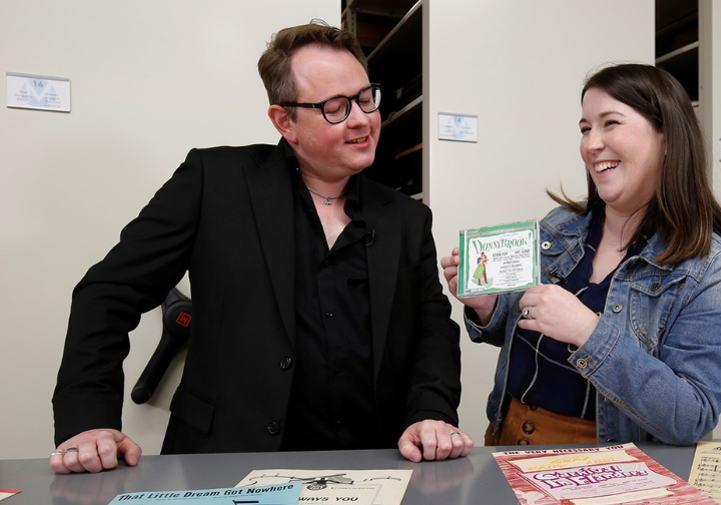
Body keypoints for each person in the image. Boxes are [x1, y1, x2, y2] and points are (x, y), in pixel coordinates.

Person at [50, 21, 472, 474]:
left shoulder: (405, 218)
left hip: (370, 467)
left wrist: (432, 412)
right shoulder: (214, 180)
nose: (361, 120)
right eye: (335, 106)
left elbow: (432, 329)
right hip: (224, 463)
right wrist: (87, 421)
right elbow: (107, 293)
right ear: (284, 120)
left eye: (365, 98)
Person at [441, 63, 721, 446]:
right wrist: (489, 307)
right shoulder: (559, 227)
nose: (590, 144)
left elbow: (692, 417)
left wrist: (589, 333)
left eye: (610, 124)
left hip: (609, 467)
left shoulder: (710, 269)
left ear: (667, 136)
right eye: (586, 128)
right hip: (506, 439)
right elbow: (523, 326)